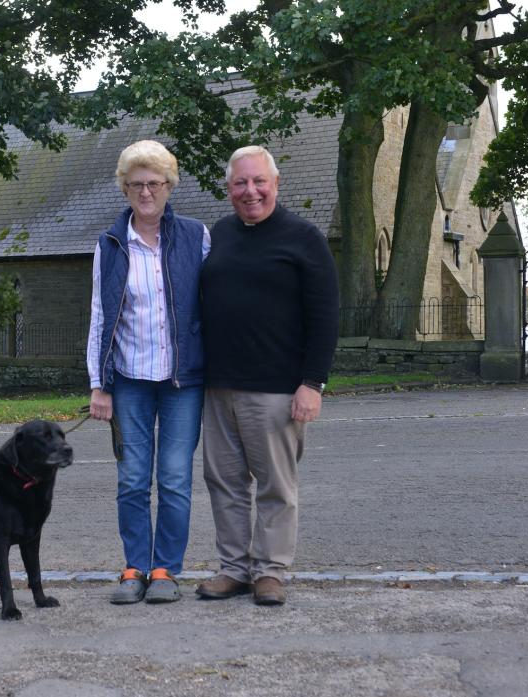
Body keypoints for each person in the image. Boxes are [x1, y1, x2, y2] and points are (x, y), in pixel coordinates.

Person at [196, 145, 339, 606]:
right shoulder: (219, 234)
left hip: (277, 390)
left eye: (259, 181)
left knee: (276, 487)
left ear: (276, 184)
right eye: (240, 183)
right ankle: (235, 569)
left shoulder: (303, 238)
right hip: (218, 387)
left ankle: (271, 572)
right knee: (225, 483)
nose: (250, 191)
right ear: (229, 187)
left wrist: (312, 383)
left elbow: (325, 316)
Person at [86, 140, 210, 605]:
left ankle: (165, 570)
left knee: (175, 478)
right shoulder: (110, 244)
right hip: (130, 381)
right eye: (135, 184)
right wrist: (98, 384)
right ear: (124, 188)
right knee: (133, 479)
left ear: (168, 186)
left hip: (184, 381)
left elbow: (211, 308)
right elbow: (100, 316)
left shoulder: (197, 236)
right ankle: (135, 566)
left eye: (153, 183)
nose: (145, 191)